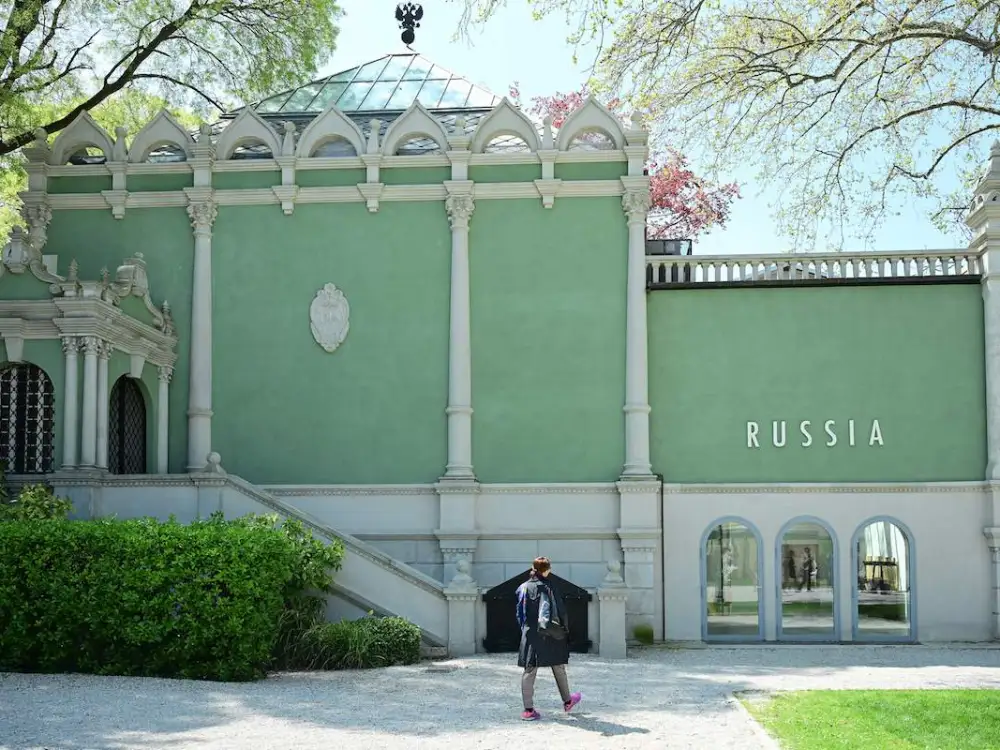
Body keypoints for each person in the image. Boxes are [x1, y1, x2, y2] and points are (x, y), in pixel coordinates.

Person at [515, 556, 582, 721]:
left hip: (530, 634)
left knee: (529, 670)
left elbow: (519, 614)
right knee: (558, 666)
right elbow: (560, 611)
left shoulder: (522, 588)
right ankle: (567, 701)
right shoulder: (549, 587)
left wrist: (524, 630)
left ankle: (528, 710)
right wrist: (564, 631)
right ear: (546, 570)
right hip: (549, 632)